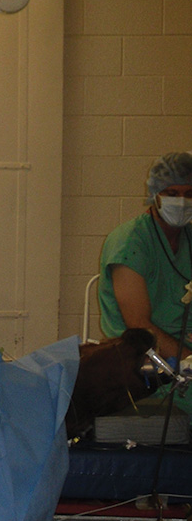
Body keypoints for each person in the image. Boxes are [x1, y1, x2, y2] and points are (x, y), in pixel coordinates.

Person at [98, 152, 192, 366]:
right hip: (142, 356)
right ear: (155, 194)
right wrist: (188, 358)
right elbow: (139, 325)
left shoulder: (188, 237)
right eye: (172, 193)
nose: (182, 202)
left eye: (189, 194)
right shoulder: (130, 243)